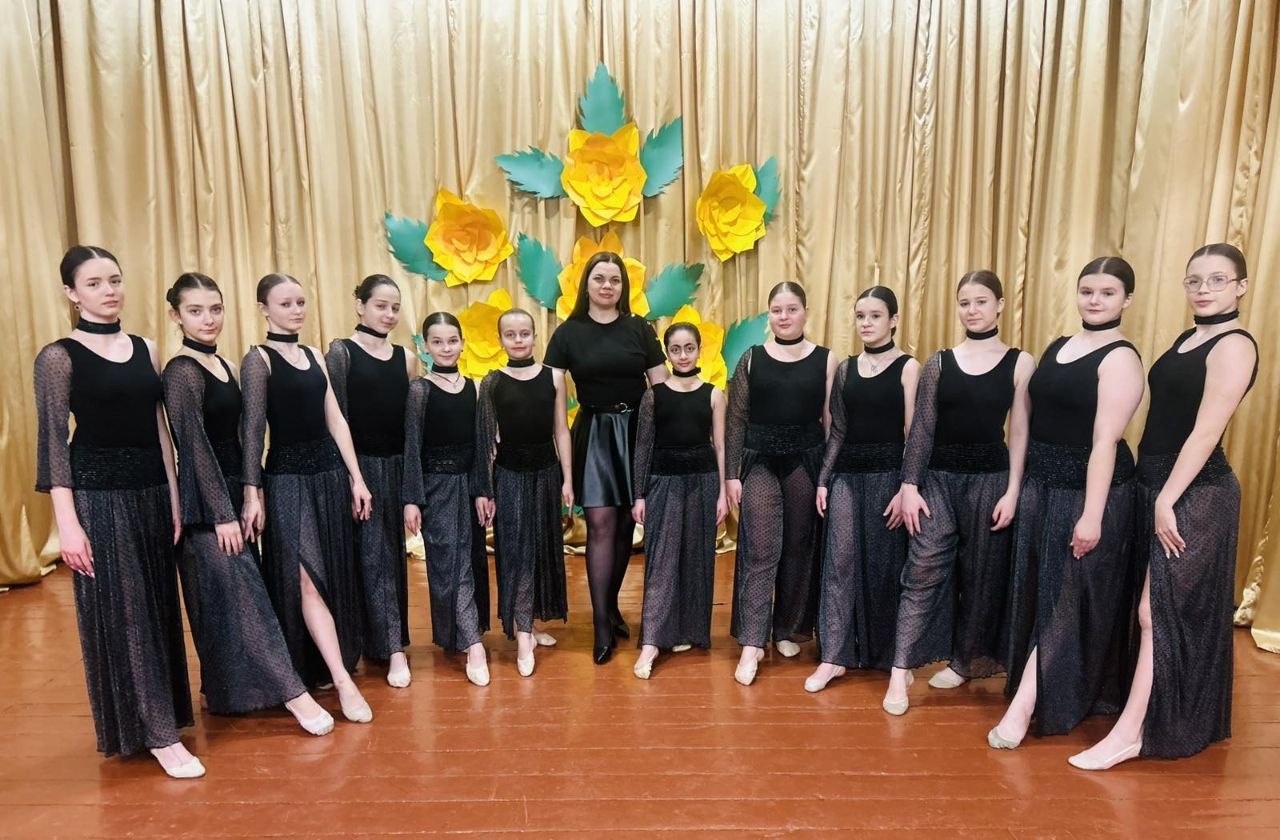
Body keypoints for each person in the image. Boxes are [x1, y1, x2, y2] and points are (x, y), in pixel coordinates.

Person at [1068, 243, 1258, 770]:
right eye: (1194, 280)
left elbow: (1205, 432)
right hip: (1156, 486)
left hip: (1196, 493)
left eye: (1217, 280)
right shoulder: (1187, 338)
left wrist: (1168, 498)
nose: (1203, 289)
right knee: (1152, 609)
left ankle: (1130, 735)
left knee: (1156, 612)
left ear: (1241, 287)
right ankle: (1166, 715)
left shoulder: (1235, 345)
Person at [34, 246, 199, 778]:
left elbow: (159, 429)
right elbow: (53, 444)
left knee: (156, 609)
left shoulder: (146, 347)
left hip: (151, 493)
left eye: (115, 280)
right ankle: (160, 736)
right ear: (71, 293)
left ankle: (157, 718)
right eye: (94, 283)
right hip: (98, 498)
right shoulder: (58, 357)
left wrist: (173, 495)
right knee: (126, 613)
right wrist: (68, 525)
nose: (109, 291)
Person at [162, 272, 333, 735]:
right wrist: (221, 513)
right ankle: (295, 695)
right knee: (245, 599)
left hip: (235, 494)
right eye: (195, 311)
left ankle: (223, 692)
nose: (208, 319)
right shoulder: (181, 371)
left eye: (215, 309)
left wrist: (250, 493)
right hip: (207, 506)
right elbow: (193, 448)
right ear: (176, 315)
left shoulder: (222, 365)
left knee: (225, 601)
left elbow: (243, 437)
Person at [991, 258, 1145, 748]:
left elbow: (1105, 442)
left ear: (1126, 300)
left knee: (1066, 600)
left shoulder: (1121, 358)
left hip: (1088, 492)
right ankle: (1037, 687)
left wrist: (1092, 516)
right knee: (1039, 593)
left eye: (1107, 292)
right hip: (1042, 485)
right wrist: (1017, 487)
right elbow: (1027, 423)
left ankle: (1023, 707)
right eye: (1087, 291)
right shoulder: (1058, 346)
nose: (1094, 300)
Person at [882, 270, 1034, 715]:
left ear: (1000, 305)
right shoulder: (939, 363)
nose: (972, 310)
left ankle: (965, 662)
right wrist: (910, 484)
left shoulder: (1020, 362)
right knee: (922, 571)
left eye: (981, 301)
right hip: (938, 482)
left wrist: (1013, 490)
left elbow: (1020, 433)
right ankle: (900, 670)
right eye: (965, 302)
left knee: (981, 576)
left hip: (991, 481)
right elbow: (922, 429)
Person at [240, 273, 374, 723]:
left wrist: (357, 478)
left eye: (300, 302)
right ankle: (342, 680)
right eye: (285, 303)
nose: (296, 310)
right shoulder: (257, 360)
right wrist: (252, 493)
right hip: (286, 481)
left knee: (330, 573)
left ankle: (323, 667)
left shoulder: (315, 355)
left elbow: (336, 420)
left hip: (329, 478)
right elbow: (252, 431)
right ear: (264, 309)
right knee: (306, 579)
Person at [544, 253, 668, 664]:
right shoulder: (567, 333)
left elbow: (661, 388)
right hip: (595, 433)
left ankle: (611, 605)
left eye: (615, 280)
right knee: (599, 524)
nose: (607, 286)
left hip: (636, 433)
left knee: (625, 526)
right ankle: (600, 625)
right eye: (599, 278)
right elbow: (548, 393)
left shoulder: (639, 329)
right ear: (586, 284)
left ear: (623, 287)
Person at [725, 281, 839, 685]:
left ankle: (788, 628)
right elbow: (736, 419)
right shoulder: (751, 358)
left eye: (791, 309)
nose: (784, 317)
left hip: (805, 462)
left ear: (806, 312)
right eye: (777, 310)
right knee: (760, 548)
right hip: (759, 461)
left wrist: (826, 476)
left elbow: (832, 423)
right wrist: (731, 474)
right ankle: (752, 642)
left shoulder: (826, 359)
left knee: (797, 548)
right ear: (769, 315)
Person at [808, 286, 920, 692]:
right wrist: (824, 479)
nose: (866, 323)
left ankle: (891, 657)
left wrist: (908, 485)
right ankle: (833, 657)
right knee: (839, 565)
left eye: (875, 316)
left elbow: (913, 432)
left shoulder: (909, 367)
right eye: (860, 316)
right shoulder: (845, 370)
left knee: (885, 567)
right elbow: (838, 430)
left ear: (893, 320)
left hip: (889, 478)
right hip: (846, 479)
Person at [325, 275, 416, 688]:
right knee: (369, 559)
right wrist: (352, 477)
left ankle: (388, 642)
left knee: (390, 558)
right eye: (381, 305)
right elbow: (336, 419)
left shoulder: (406, 358)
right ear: (360, 305)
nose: (389, 314)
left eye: (395, 307)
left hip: (396, 468)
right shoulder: (341, 352)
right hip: (358, 469)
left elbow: (412, 426)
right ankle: (387, 646)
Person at [474, 309, 573, 677]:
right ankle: (524, 634)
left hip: (546, 473)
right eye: (510, 334)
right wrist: (485, 488)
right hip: (509, 475)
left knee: (540, 548)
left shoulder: (554, 377)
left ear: (535, 335)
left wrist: (567, 479)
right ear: (500, 339)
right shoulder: (492, 382)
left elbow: (561, 430)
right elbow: (486, 439)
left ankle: (527, 621)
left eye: (524, 333)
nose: (518, 340)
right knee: (516, 550)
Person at [630, 322, 728, 679]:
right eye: (675, 349)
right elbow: (643, 447)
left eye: (689, 348)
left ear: (699, 350)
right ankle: (652, 641)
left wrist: (722, 492)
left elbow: (720, 446)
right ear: (667, 353)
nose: (683, 355)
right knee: (662, 561)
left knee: (696, 557)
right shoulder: (654, 396)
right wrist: (639, 494)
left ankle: (687, 630)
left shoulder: (714, 394)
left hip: (703, 482)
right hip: (663, 482)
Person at [403, 312, 491, 686]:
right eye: (437, 342)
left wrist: (484, 490)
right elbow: (412, 445)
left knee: (469, 560)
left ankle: (466, 634)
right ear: (425, 346)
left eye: (452, 340)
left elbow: (482, 444)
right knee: (447, 561)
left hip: (468, 486)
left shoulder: (475, 388)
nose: (445, 348)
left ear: (462, 343)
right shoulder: (420, 391)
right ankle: (473, 644)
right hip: (435, 488)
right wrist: (412, 499)